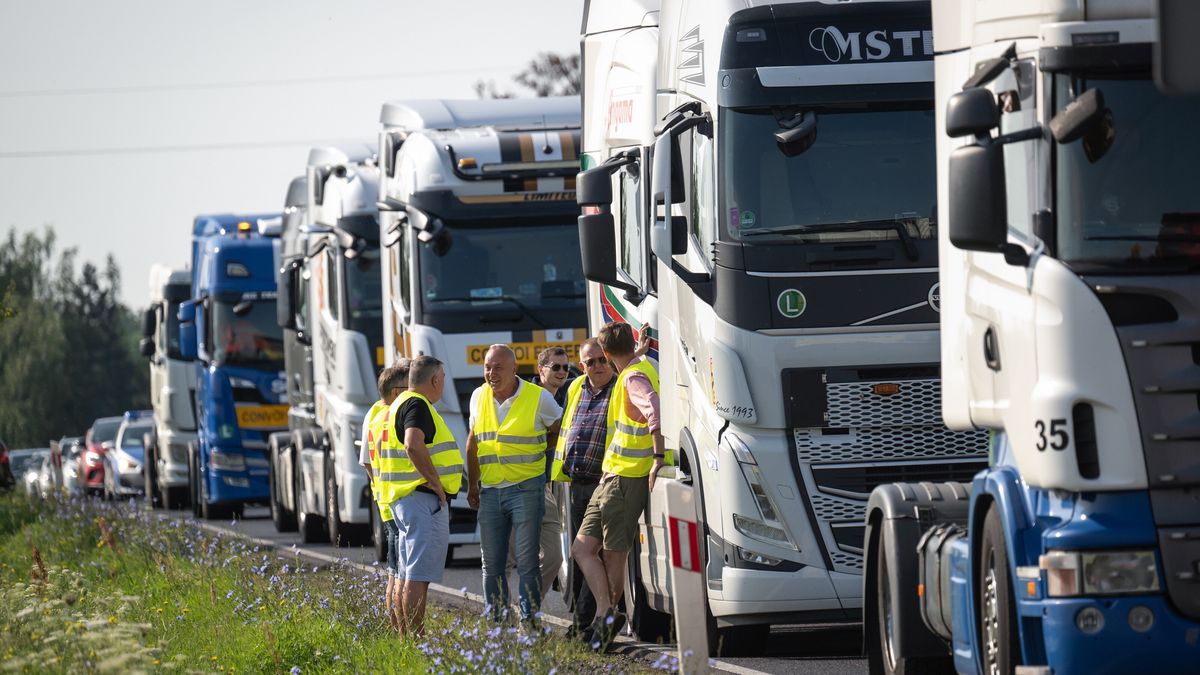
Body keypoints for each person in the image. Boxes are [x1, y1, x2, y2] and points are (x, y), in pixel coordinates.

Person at [571, 322, 666, 650]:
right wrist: (637, 351)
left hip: (626, 480)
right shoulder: (634, 368)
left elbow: (653, 409)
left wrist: (657, 457)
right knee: (581, 549)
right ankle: (607, 609)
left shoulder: (633, 377)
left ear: (607, 354)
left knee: (614, 556)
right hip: (611, 478)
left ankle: (608, 617)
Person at [466, 344, 561, 630]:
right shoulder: (478, 396)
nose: (491, 374)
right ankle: (497, 625)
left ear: (514, 370)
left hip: (526, 489)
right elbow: (473, 442)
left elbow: (559, 431)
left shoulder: (538, 398)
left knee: (528, 560)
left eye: (498, 368)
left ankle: (529, 623)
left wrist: (541, 454)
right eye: (487, 367)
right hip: (491, 490)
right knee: (492, 564)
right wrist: (473, 485)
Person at [378, 355, 463, 637]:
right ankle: (417, 638)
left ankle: (407, 637)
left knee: (405, 574)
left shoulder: (396, 405)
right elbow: (414, 443)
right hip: (420, 498)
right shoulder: (418, 404)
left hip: (404, 500)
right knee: (417, 576)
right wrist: (436, 483)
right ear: (436, 380)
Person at [550, 338, 618, 638]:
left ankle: (596, 622)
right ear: (583, 366)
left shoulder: (619, 386)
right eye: (590, 362)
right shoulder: (577, 388)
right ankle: (582, 621)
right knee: (581, 556)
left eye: (602, 359)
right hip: (577, 483)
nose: (597, 366)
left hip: (605, 483)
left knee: (595, 554)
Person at [359, 360, 409, 633]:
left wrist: (381, 486)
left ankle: (398, 633)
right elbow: (369, 462)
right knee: (400, 575)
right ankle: (403, 635)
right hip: (397, 502)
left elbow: (367, 462)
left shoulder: (376, 413)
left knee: (394, 573)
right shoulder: (386, 415)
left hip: (388, 500)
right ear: (395, 391)